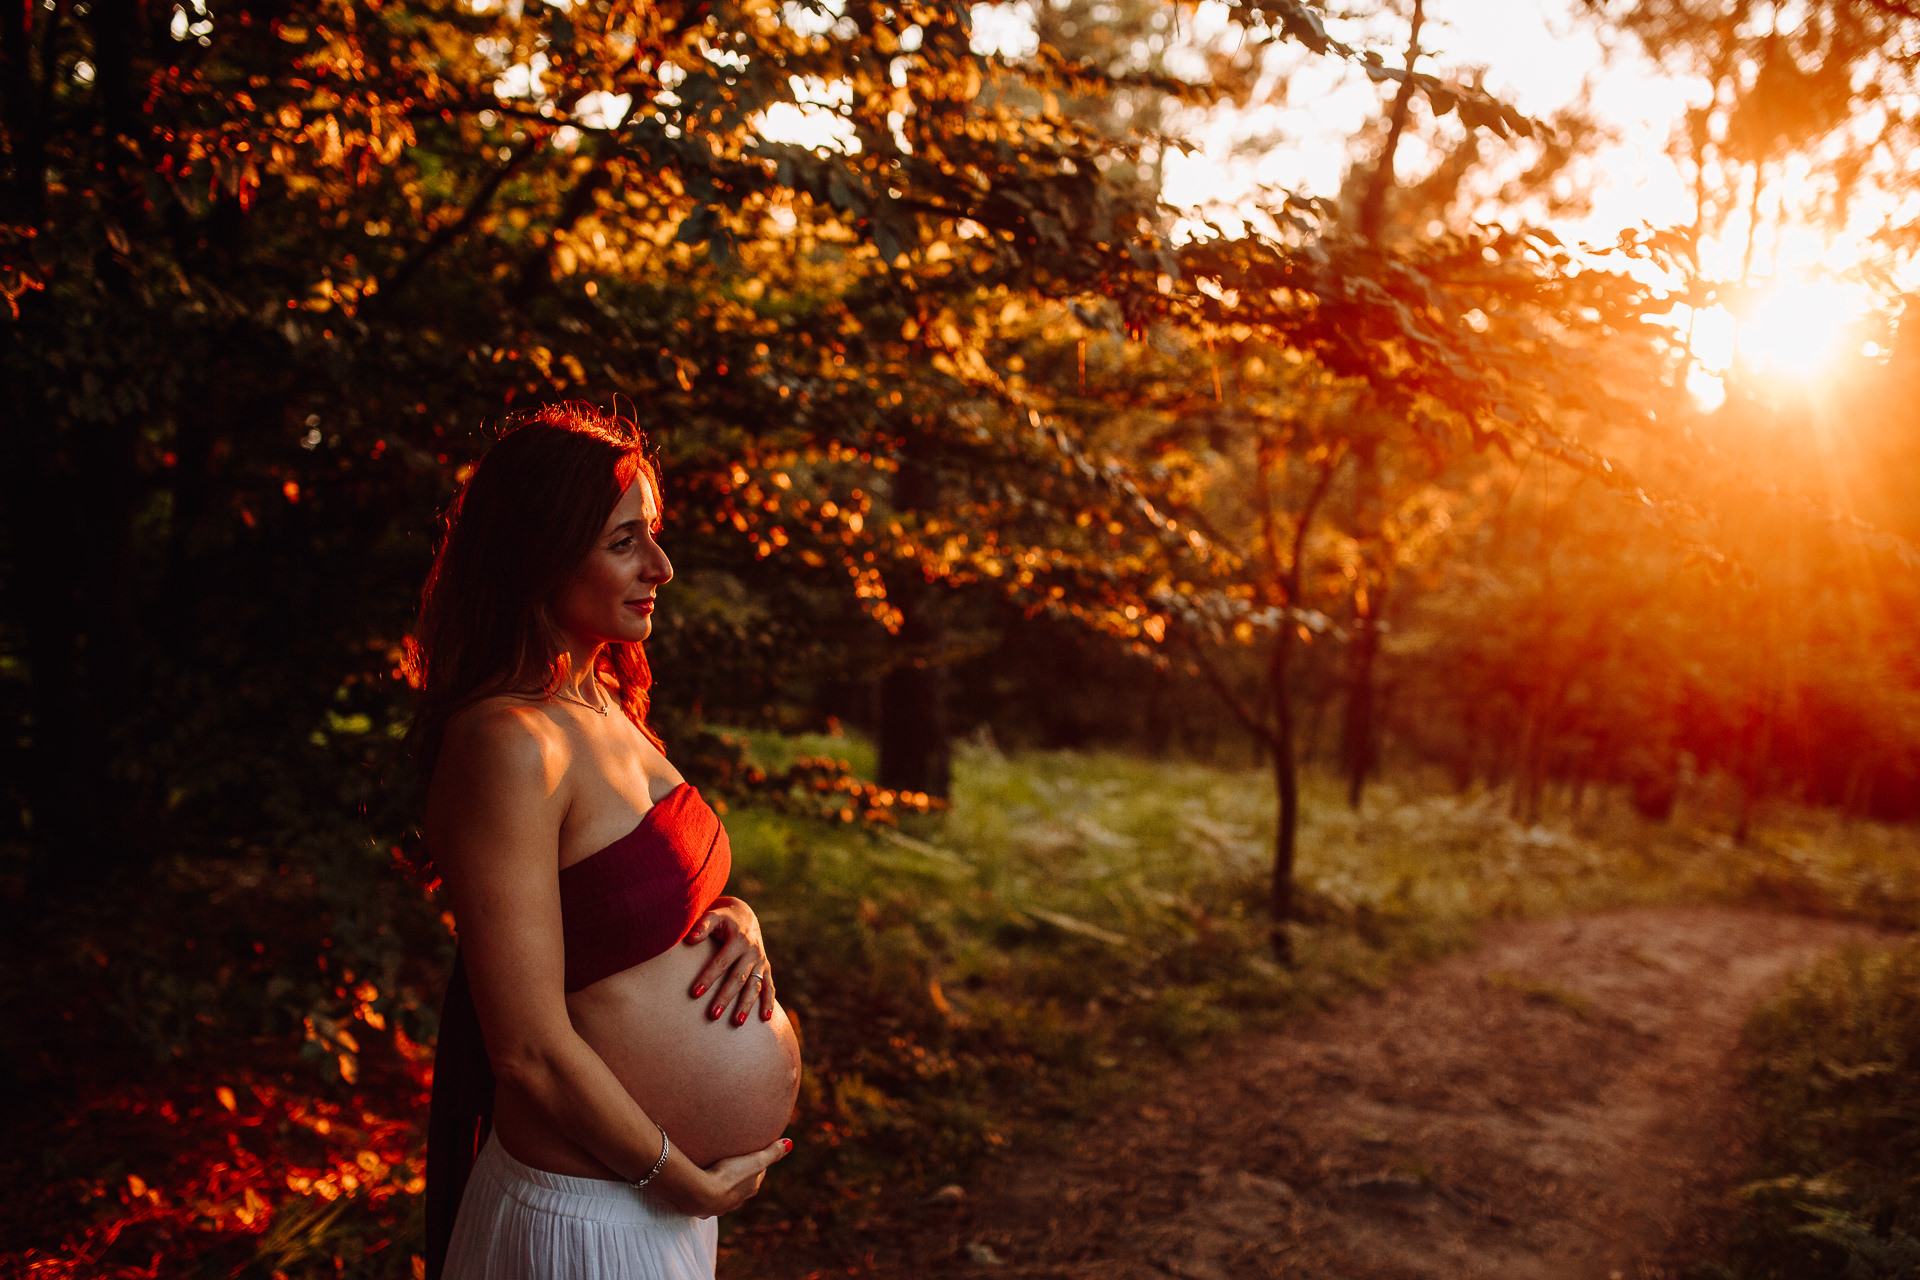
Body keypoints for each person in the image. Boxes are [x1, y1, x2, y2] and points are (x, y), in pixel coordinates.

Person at [409, 405, 802, 1280]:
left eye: (653, 535)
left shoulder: (608, 708)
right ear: (537, 553)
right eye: (625, 541)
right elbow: (527, 1048)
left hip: (652, 1203)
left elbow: (636, 909)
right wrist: (682, 1178)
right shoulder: (508, 741)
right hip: (589, 1216)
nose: (661, 566)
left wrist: (737, 920)